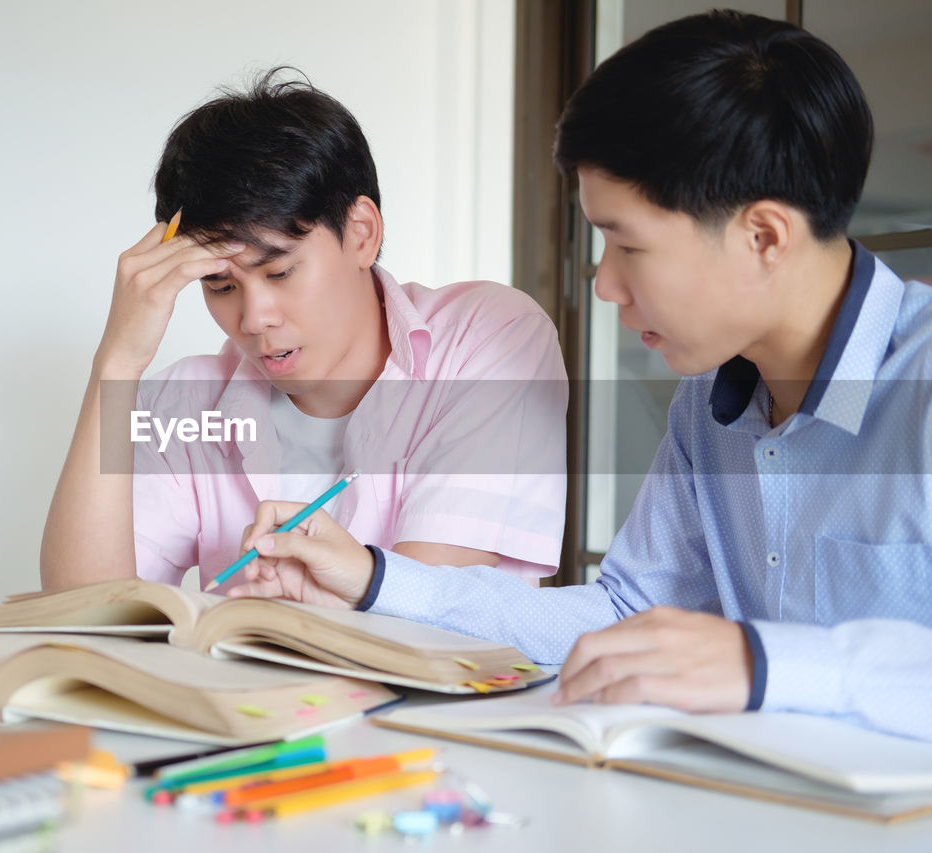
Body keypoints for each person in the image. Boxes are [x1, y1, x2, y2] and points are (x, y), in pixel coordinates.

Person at [225, 13, 932, 742]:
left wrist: (760, 661)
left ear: (764, 237)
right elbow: (623, 611)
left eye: (627, 245)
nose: (604, 285)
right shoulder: (711, 403)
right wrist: (374, 578)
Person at [40, 69, 568, 592]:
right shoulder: (187, 405)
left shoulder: (488, 338)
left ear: (361, 233)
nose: (253, 318)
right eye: (219, 286)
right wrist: (117, 364)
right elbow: (83, 616)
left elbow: (430, 612)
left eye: (280, 272)